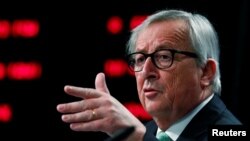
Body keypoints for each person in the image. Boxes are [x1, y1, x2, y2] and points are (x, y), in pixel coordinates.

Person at [56, 9, 242, 141]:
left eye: (163, 57)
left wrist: (137, 137)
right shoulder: (144, 132)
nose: (145, 72)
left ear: (205, 72)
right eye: (139, 59)